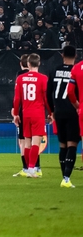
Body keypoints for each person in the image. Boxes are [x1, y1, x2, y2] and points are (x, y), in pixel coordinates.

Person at [12, 53, 52, 178]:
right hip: (38, 113)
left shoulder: (20, 78)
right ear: (39, 63)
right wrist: (51, 112)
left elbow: (17, 99)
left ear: (28, 64)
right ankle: (31, 169)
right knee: (36, 143)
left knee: (27, 143)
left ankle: (28, 169)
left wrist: (16, 114)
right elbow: (46, 98)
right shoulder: (43, 78)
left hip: (26, 113)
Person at [48, 45, 79, 188]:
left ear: (62, 55)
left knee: (62, 145)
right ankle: (66, 178)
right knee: (72, 144)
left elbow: (48, 93)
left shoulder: (54, 71)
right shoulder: (76, 71)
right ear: (76, 56)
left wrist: (51, 111)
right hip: (73, 111)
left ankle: (64, 178)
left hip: (58, 111)